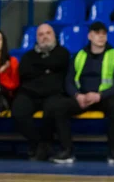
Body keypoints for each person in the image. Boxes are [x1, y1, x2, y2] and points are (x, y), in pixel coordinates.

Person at [49, 22, 114, 164]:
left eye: (103, 34)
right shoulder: (79, 55)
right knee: (59, 107)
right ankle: (66, 151)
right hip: (82, 98)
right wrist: (77, 95)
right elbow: (69, 81)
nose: (101, 37)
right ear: (89, 36)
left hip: (104, 97)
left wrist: (100, 96)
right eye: (97, 34)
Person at [11, 24, 70, 160]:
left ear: (54, 36)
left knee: (53, 108)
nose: (45, 37)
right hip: (29, 94)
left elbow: (57, 64)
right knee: (18, 110)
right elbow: (24, 72)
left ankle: (42, 147)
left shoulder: (63, 53)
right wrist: (47, 70)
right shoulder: (28, 56)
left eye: (48, 33)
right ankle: (39, 143)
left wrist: (38, 69)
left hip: (53, 94)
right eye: (41, 34)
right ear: (36, 38)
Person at [0, 29, 19, 104]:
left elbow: (14, 85)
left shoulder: (12, 61)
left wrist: (1, 74)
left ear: (3, 42)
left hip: (5, 96)